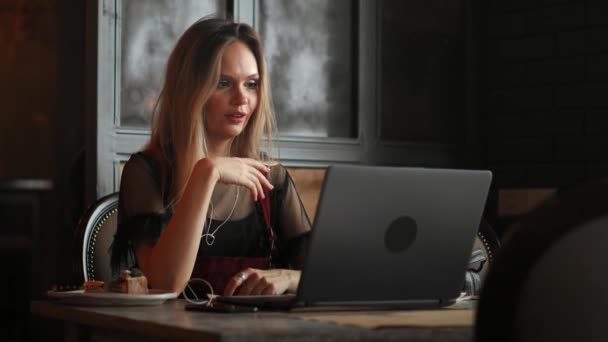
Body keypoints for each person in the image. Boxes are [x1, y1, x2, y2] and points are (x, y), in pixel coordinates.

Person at [111, 17, 311, 297]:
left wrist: (287, 277)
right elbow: (165, 283)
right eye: (223, 83)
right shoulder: (147, 172)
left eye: (251, 84)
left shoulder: (271, 177)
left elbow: (327, 276)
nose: (242, 99)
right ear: (191, 89)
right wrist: (206, 173)